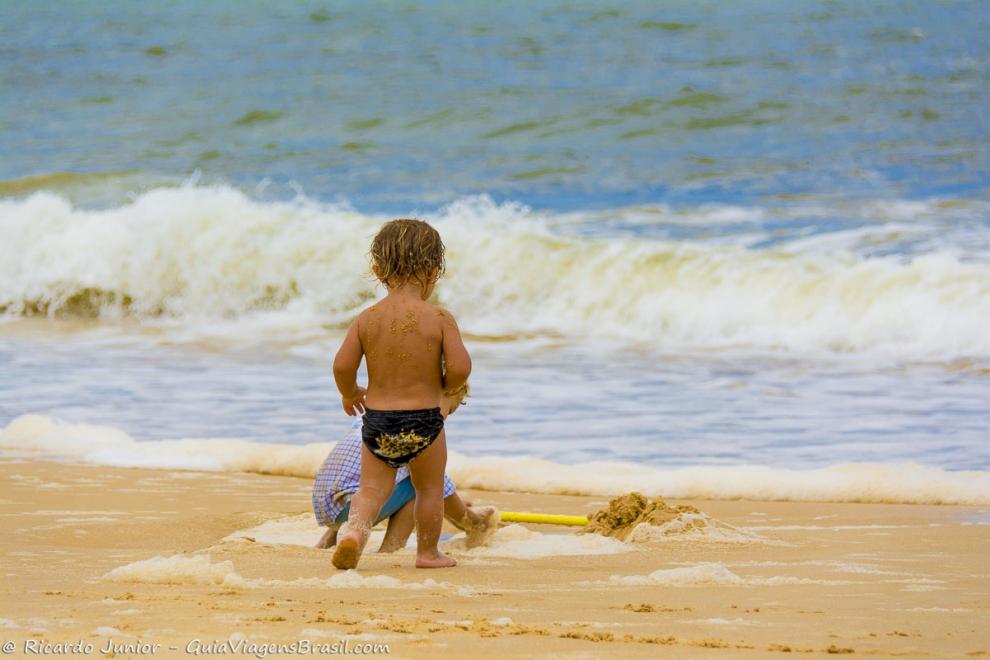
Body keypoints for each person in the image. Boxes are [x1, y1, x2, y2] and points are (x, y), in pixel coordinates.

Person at [331, 218, 471, 569]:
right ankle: (427, 553)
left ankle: (355, 535)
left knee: (370, 490)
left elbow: (342, 365)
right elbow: (460, 368)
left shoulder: (366, 319)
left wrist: (350, 394)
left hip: (378, 419)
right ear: (432, 270)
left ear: (378, 270)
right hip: (425, 418)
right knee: (428, 489)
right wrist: (448, 386)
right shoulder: (439, 318)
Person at [312, 384, 497, 552]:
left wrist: (449, 502)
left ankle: (328, 541)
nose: (446, 417)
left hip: (326, 504)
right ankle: (391, 548)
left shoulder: (377, 415)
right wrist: (474, 522)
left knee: (365, 484)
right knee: (421, 486)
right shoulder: (420, 430)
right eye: (451, 409)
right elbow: (437, 486)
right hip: (350, 509)